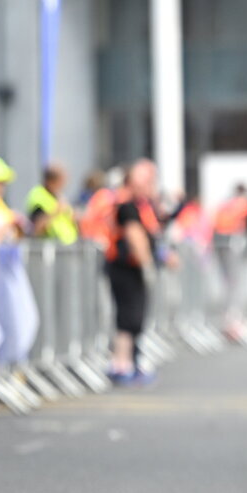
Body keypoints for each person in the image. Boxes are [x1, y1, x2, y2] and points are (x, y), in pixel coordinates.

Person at [105, 159, 164, 385]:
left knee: (133, 318)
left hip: (128, 268)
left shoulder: (138, 205)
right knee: (128, 317)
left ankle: (129, 362)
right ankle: (121, 364)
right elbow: (134, 236)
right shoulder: (127, 205)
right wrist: (146, 264)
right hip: (126, 268)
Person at [26, 163, 78, 244]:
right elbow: (36, 228)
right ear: (51, 181)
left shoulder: (57, 195)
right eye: (61, 181)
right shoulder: (38, 196)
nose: (64, 185)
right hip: (48, 250)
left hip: (66, 248)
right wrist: (55, 212)